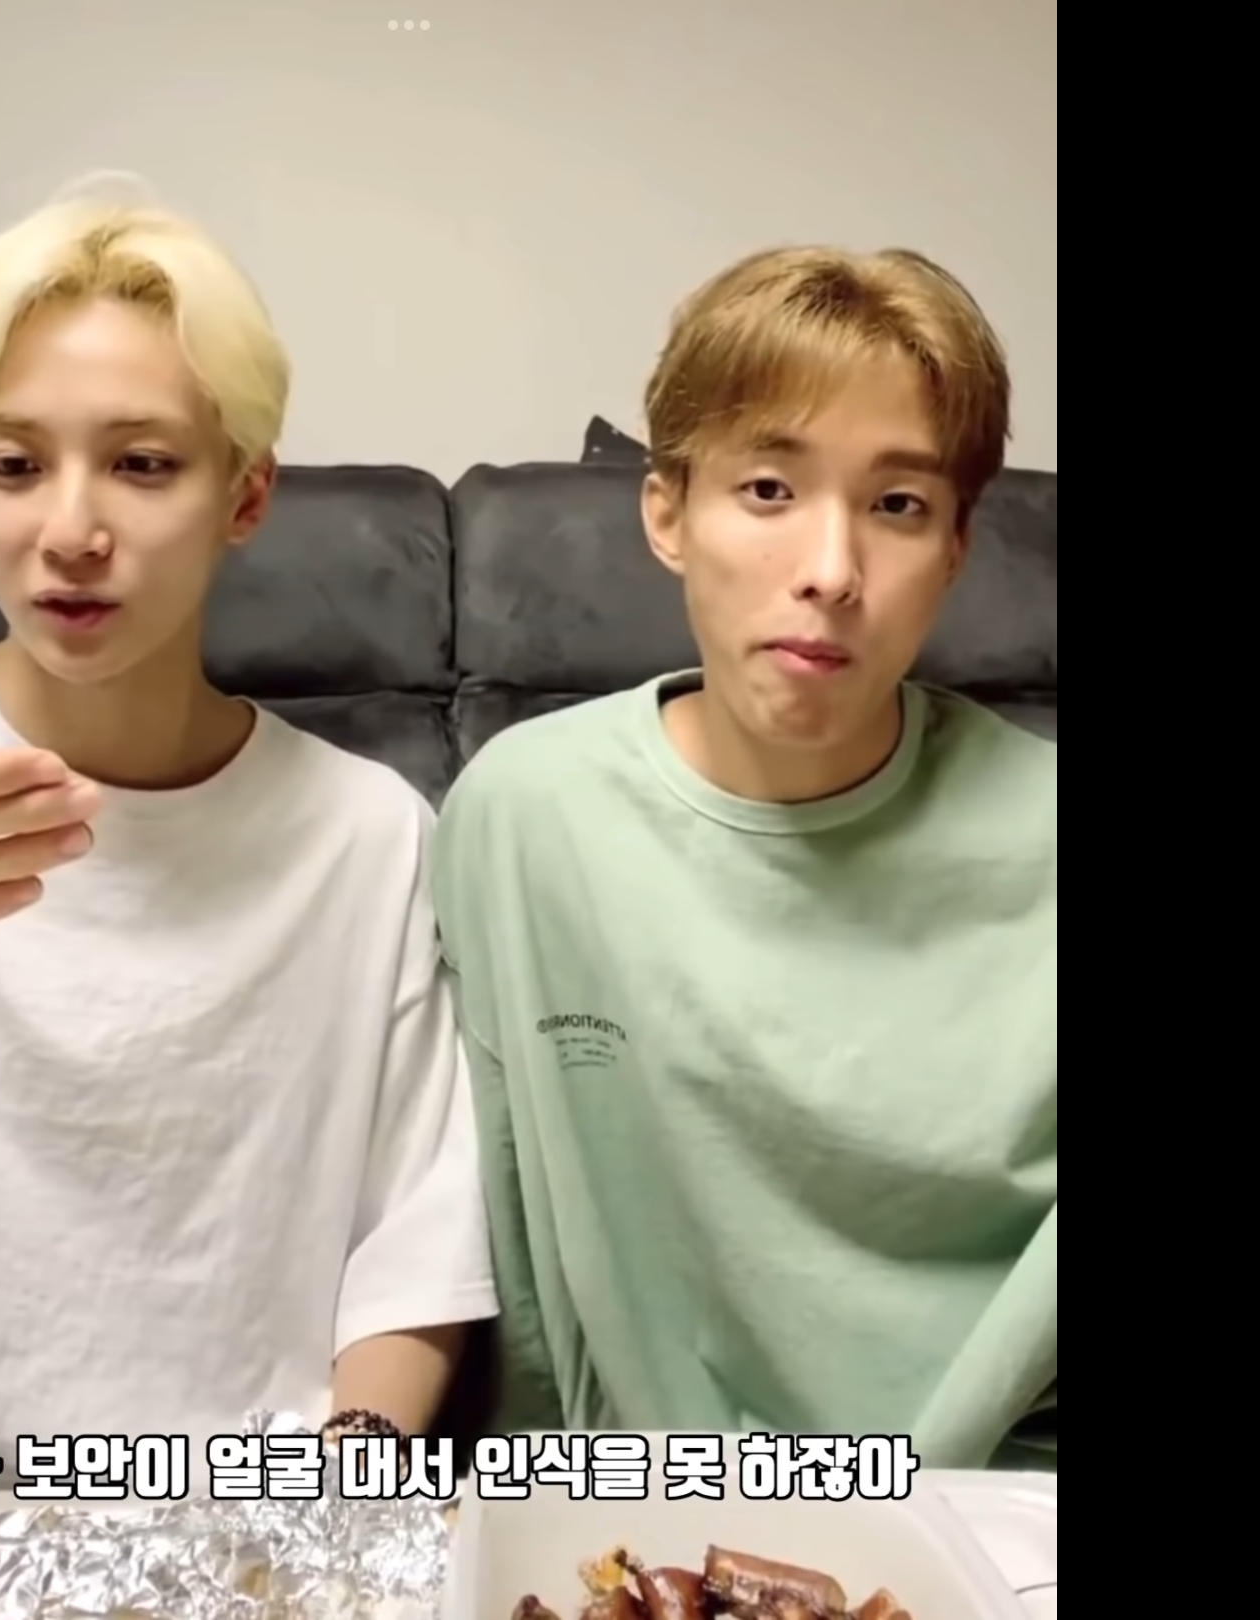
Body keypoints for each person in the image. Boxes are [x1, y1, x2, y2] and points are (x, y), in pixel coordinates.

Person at [0, 187, 496, 1469]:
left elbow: (419, 1246)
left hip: (244, 1527)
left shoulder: (367, 837)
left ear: (246, 495)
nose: (69, 533)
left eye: (143, 464)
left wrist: (339, 1494)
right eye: (12, 466)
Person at [431, 246, 1056, 1470]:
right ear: (667, 513)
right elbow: (514, 1266)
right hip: (644, 1515)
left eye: (898, 506)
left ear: (958, 545)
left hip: (999, 1505)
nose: (830, 571)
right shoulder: (526, 817)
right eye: (769, 489)